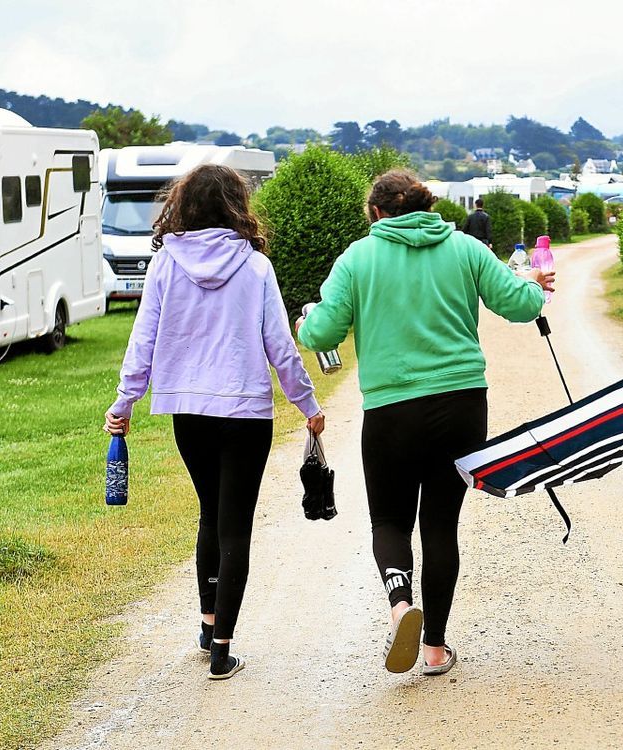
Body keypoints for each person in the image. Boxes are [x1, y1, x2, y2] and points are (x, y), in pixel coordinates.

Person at [297, 169, 554, 676]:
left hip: (392, 410)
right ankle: (434, 649)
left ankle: (400, 606)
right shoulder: (464, 248)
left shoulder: (357, 258)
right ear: (426, 204)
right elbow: (521, 305)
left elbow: (323, 331)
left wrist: (305, 322)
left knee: (390, 520)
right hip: (462, 405)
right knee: (441, 524)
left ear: (375, 213)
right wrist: (537, 285)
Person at [104, 164, 324, 680]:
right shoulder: (255, 266)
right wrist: (307, 405)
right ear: (236, 205)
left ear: (185, 205)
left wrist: (125, 402)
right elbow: (279, 346)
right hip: (245, 410)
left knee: (209, 513)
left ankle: (207, 628)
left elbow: (144, 339)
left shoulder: (165, 263)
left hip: (189, 411)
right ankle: (223, 647)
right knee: (235, 525)